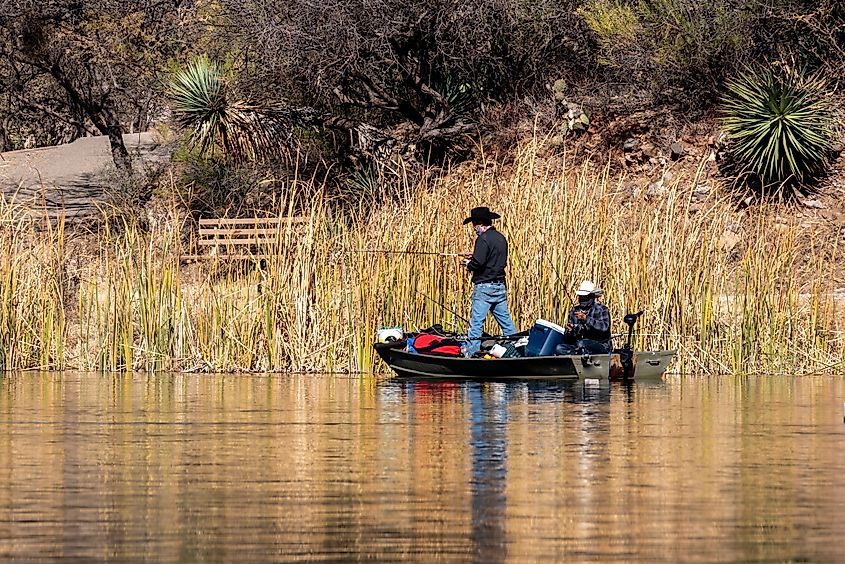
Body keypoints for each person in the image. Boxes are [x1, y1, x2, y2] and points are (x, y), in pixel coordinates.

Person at [459, 206, 518, 357]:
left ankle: (471, 353)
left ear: (480, 224)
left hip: (484, 287)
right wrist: (475, 255)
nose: (474, 229)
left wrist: (468, 263)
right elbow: (491, 258)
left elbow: (478, 263)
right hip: (499, 286)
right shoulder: (500, 238)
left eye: (474, 225)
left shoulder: (482, 239)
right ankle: (518, 347)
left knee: (476, 323)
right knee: (506, 321)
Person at [556, 280, 612, 355]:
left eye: (585, 297)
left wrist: (586, 319)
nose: (582, 299)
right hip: (578, 344)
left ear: (592, 297)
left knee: (582, 343)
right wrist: (570, 331)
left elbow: (604, 327)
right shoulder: (574, 311)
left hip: (600, 345)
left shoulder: (602, 309)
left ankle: (581, 352)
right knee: (559, 348)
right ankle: (580, 352)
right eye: (580, 297)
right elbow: (569, 339)